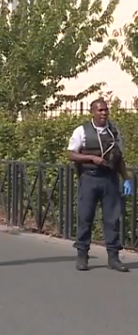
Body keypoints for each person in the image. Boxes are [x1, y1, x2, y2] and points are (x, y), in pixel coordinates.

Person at [67, 98, 131, 272]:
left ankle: (113, 257)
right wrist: (91, 158)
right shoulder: (82, 131)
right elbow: (72, 154)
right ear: (92, 112)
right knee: (85, 217)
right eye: (100, 110)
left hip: (109, 178)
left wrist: (125, 178)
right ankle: (82, 255)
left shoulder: (114, 132)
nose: (104, 113)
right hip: (89, 178)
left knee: (112, 219)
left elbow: (119, 158)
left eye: (105, 110)